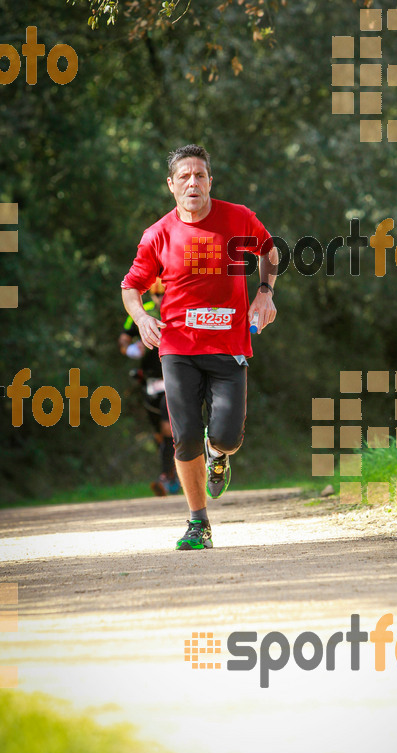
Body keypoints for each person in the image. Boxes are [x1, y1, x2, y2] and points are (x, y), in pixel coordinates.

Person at [121, 144, 278, 550]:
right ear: (171, 185)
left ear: (210, 181)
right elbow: (131, 287)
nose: (194, 182)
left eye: (201, 175)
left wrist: (264, 292)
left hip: (229, 345)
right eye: (185, 176)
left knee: (227, 436)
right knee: (184, 435)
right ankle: (198, 522)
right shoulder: (157, 234)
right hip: (177, 347)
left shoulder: (239, 218)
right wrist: (141, 318)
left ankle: (219, 454)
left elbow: (270, 250)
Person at [118, 278, 180, 497]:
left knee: (167, 428)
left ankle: (167, 476)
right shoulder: (142, 310)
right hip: (150, 381)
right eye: (155, 294)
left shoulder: (179, 308)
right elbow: (124, 339)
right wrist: (130, 350)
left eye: (162, 294)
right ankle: (174, 472)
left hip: (174, 378)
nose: (159, 298)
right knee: (159, 434)